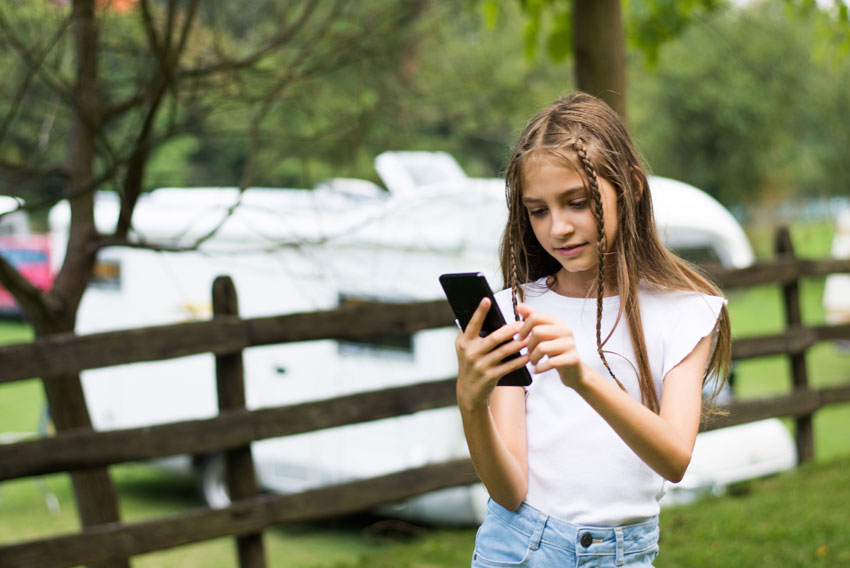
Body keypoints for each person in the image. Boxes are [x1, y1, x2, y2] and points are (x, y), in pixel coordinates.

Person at [454, 92, 732, 567]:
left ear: (632, 188)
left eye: (577, 202)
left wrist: (583, 376)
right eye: (538, 210)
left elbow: (674, 457)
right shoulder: (516, 310)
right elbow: (509, 488)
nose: (558, 227)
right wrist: (471, 403)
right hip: (519, 549)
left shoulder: (686, 313)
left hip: (621, 556)